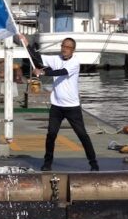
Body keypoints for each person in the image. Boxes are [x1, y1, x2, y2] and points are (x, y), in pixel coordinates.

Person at [17, 34, 99, 172]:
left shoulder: (74, 63)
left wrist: (42, 73)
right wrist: (26, 44)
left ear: (73, 50)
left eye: (68, 47)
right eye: (63, 46)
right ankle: (47, 163)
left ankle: (93, 163)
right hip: (57, 106)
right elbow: (38, 59)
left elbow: (61, 72)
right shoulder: (56, 59)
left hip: (72, 107)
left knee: (82, 135)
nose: (64, 49)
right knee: (51, 135)